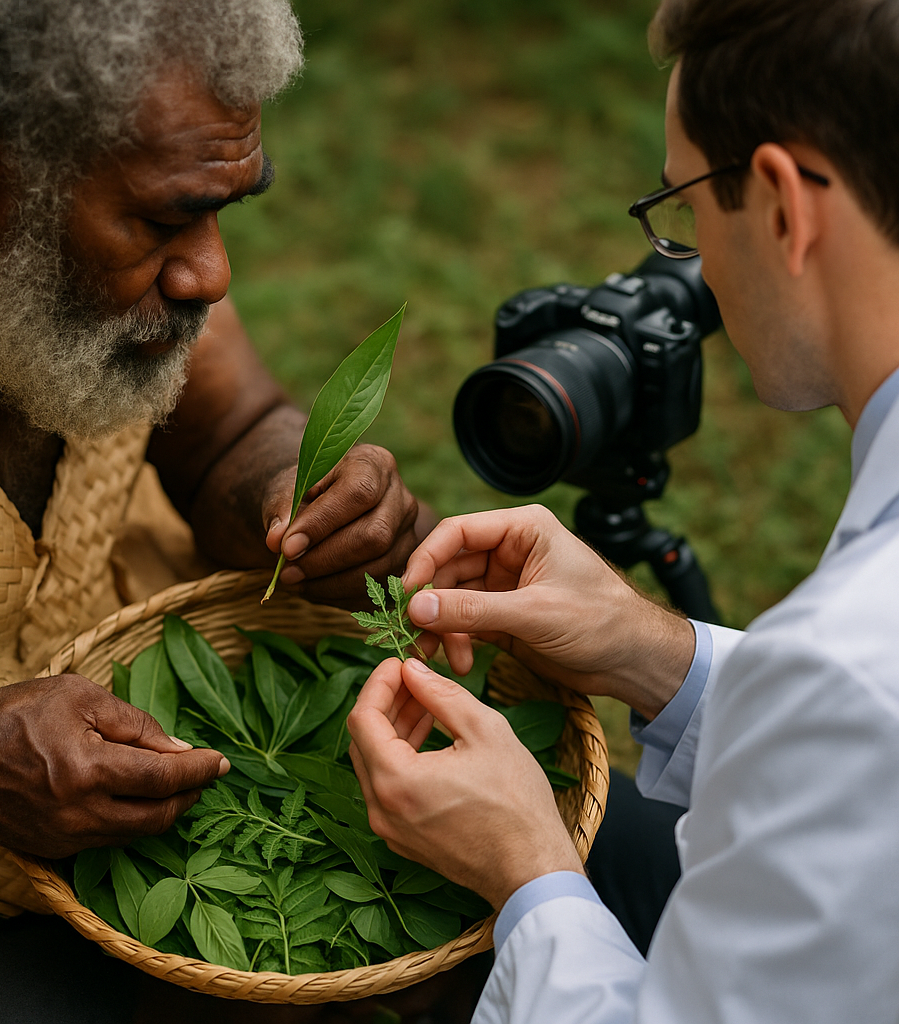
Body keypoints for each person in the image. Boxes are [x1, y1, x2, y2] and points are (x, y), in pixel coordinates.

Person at [0, 0, 432, 1019]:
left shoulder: (110, 268)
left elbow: (233, 425)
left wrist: (291, 489)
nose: (212, 272)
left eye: (224, 209)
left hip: (179, 752)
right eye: (164, 219)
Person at [348, 0, 899, 1020]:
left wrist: (524, 868)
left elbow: (854, 714)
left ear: (782, 203)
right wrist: (657, 653)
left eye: (684, 207)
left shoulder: (842, 673)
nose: (687, 255)